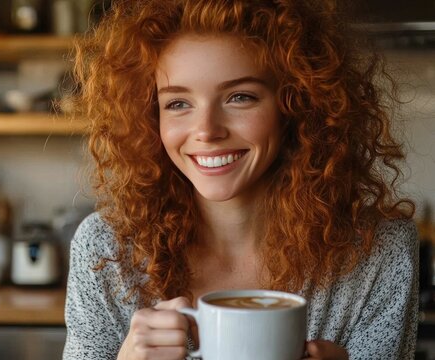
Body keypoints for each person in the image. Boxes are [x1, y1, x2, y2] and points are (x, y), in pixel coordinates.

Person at [63, 0, 418, 359]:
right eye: (177, 104)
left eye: (240, 97)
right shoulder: (106, 249)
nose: (206, 131)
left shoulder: (379, 252)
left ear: (297, 104)